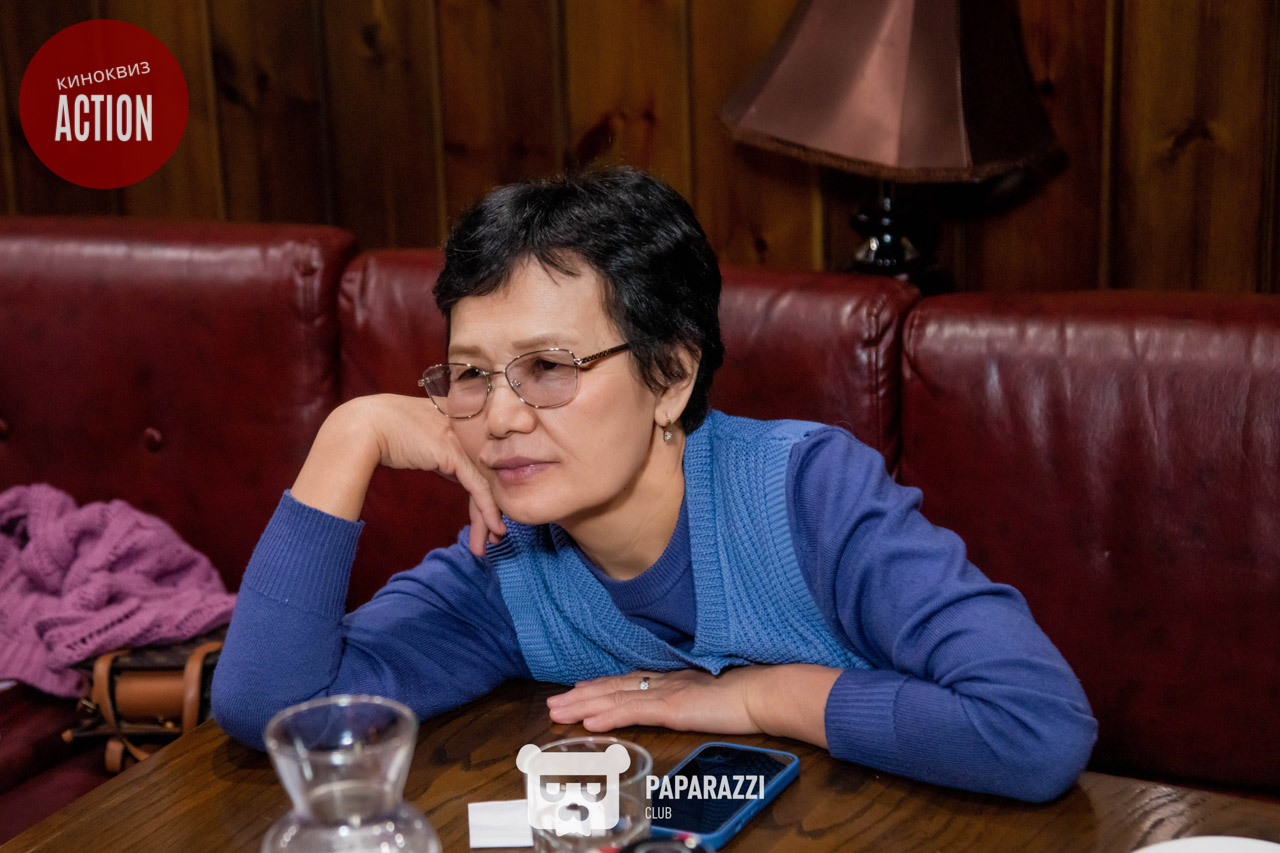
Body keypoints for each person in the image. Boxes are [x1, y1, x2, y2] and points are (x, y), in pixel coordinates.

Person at [211, 166, 1096, 803]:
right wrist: (351, 434)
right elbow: (274, 711)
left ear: (670, 376)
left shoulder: (809, 496)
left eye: (550, 366)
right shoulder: (508, 569)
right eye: (471, 373)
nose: (501, 416)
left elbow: (1035, 726)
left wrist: (755, 696)